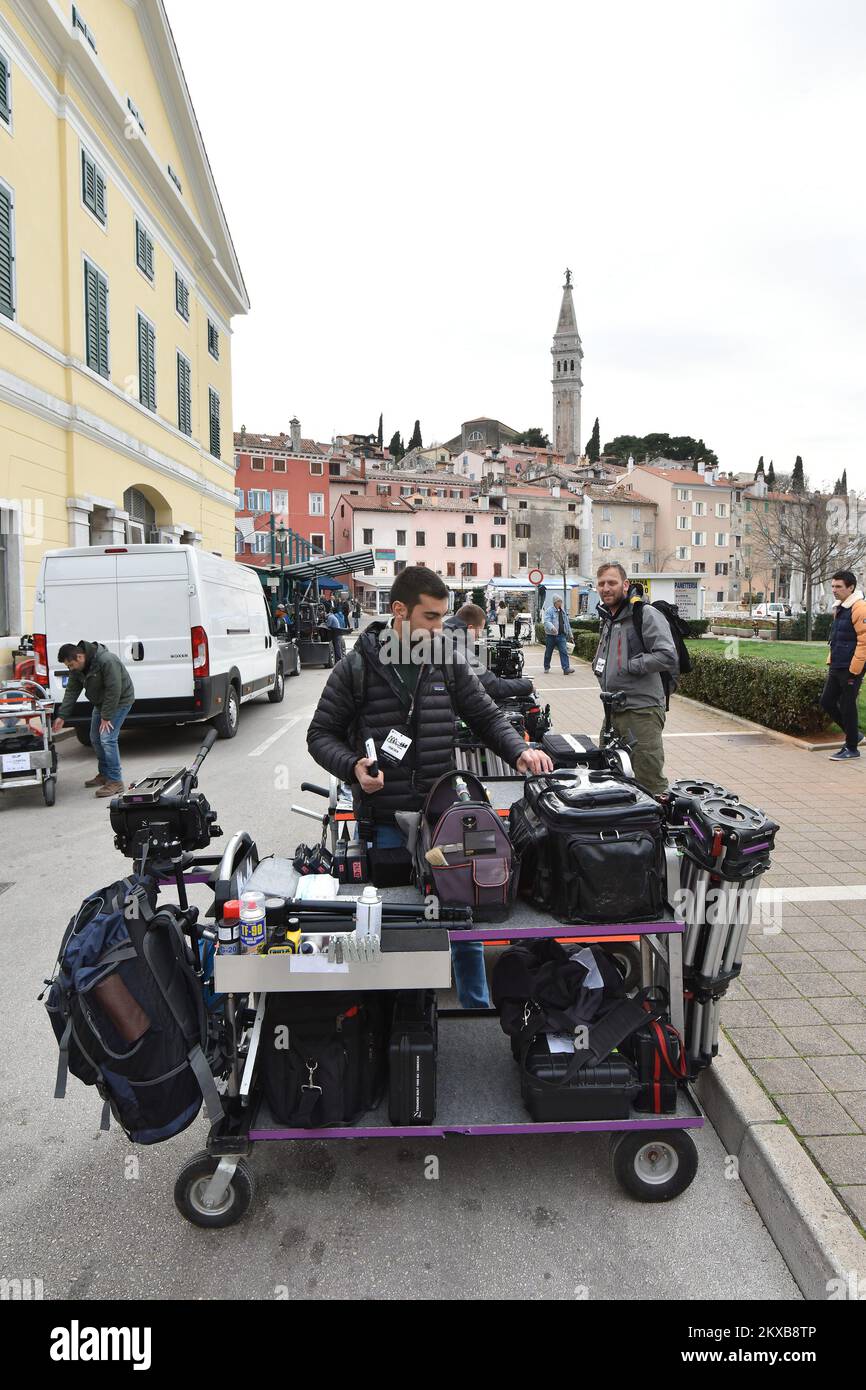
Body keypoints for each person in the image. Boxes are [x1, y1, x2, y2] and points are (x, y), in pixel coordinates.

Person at [307, 566, 553, 1008]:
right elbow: (319, 734)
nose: (441, 628)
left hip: (444, 816)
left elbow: (486, 714)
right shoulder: (356, 667)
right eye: (431, 617)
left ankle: (475, 1006)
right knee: (398, 924)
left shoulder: (445, 656)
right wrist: (353, 768)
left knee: (463, 915)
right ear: (399, 611)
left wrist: (519, 751)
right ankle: (401, 1019)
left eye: (443, 617)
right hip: (385, 820)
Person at [592, 563, 678, 795]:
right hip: (614, 711)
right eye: (601, 584)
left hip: (642, 712)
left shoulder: (645, 614)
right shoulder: (610, 618)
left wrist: (632, 666)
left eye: (612, 582)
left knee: (648, 780)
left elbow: (667, 655)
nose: (606, 588)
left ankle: (656, 828)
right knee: (608, 773)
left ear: (625, 585)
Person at [52, 640, 135, 796]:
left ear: (79, 657)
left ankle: (116, 781)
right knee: (95, 738)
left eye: (70, 665)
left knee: (107, 738)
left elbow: (114, 689)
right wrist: (62, 716)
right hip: (101, 703)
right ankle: (104, 774)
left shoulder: (106, 660)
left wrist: (106, 716)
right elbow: (71, 690)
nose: (70, 669)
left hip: (120, 700)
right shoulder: (77, 669)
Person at [820, 570, 866, 761]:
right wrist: (832, 658)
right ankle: (854, 735)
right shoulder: (840, 607)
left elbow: (864, 642)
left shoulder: (859, 608)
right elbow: (837, 638)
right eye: (833, 586)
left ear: (851, 588)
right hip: (838, 664)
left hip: (850, 667)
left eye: (838, 586)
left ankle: (851, 747)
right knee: (827, 701)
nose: (834, 590)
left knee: (848, 706)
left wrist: (854, 669)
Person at [444, 604, 535, 699]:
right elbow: (491, 686)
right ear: (470, 628)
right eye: (479, 631)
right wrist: (527, 685)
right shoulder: (457, 647)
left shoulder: (445, 634)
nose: (478, 637)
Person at [542, 597, 574, 675]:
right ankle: (546, 666)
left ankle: (566, 668)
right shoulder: (550, 610)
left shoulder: (562, 611)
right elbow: (546, 621)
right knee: (548, 653)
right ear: (555, 602)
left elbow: (567, 623)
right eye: (559, 601)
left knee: (564, 652)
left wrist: (570, 634)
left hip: (561, 635)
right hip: (551, 636)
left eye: (561, 601)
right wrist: (552, 628)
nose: (560, 603)